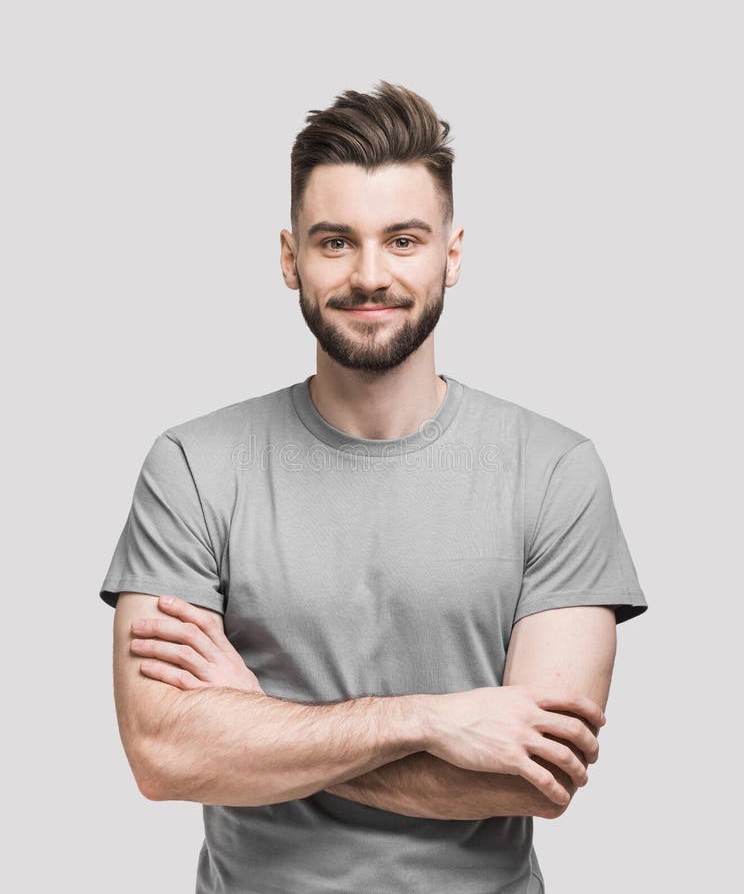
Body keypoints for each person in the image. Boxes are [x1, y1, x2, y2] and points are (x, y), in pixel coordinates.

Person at [99, 80, 648, 894]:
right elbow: (163, 755)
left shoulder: (554, 470)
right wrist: (433, 720)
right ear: (289, 258)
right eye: (333, 241)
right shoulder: (194, 466)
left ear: (450, 256)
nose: (368, 275)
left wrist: (257, 724)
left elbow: (535, 779)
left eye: (402, 240)